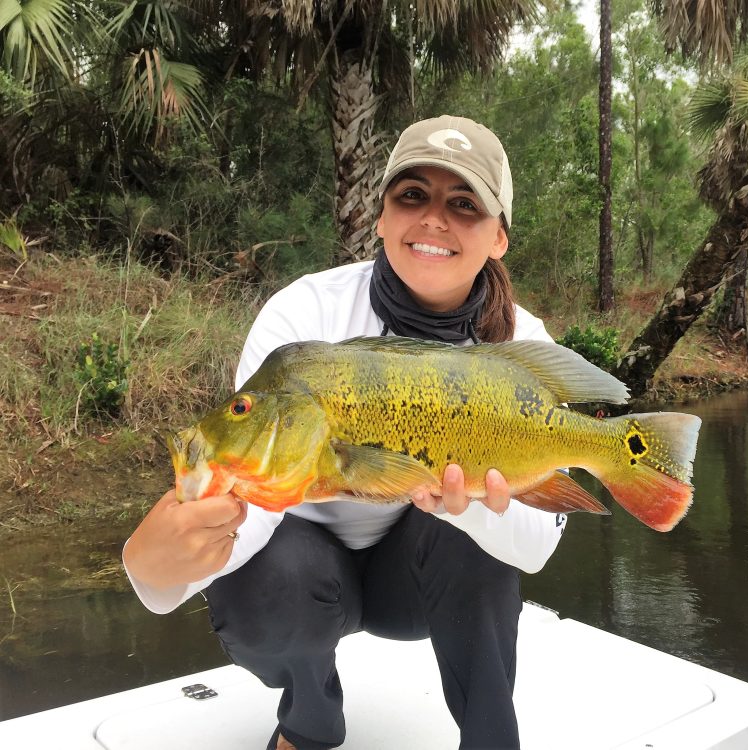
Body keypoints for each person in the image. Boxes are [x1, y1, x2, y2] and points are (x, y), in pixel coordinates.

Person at [122, 115, 567, 750]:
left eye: (463, 204)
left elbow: (536, 549)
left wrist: (475, 512)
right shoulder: (304, 317)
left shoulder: (524, 349)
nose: (434, 219)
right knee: (263, 584)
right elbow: (255, 510)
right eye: (411, 195)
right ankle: (308, 725)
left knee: (475, 531)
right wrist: (159, 576)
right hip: (310, 572)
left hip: (413, 585)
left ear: (498, 237)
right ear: (380, 217)